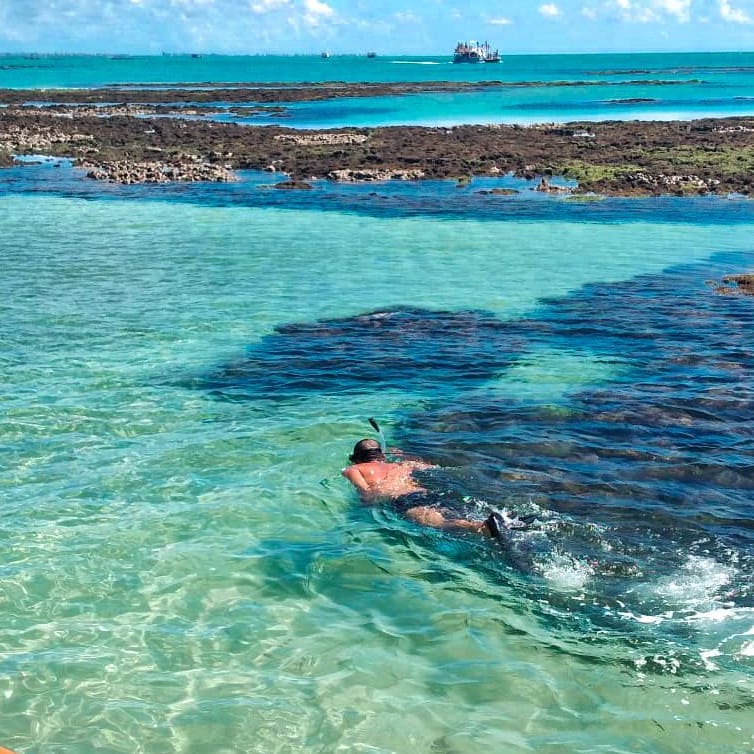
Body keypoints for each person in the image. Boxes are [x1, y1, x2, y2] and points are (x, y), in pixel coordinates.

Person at [342, 438, 502, 536]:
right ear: (381, 455)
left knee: (437, 524)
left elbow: (367, 495)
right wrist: (401, 455)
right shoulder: (403, 465)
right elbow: (430, 466)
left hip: (403, 500)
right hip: (427, 493)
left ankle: (478, 528)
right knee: (457, 512)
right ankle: (505, 522)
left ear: (356, 458)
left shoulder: (354, 469)